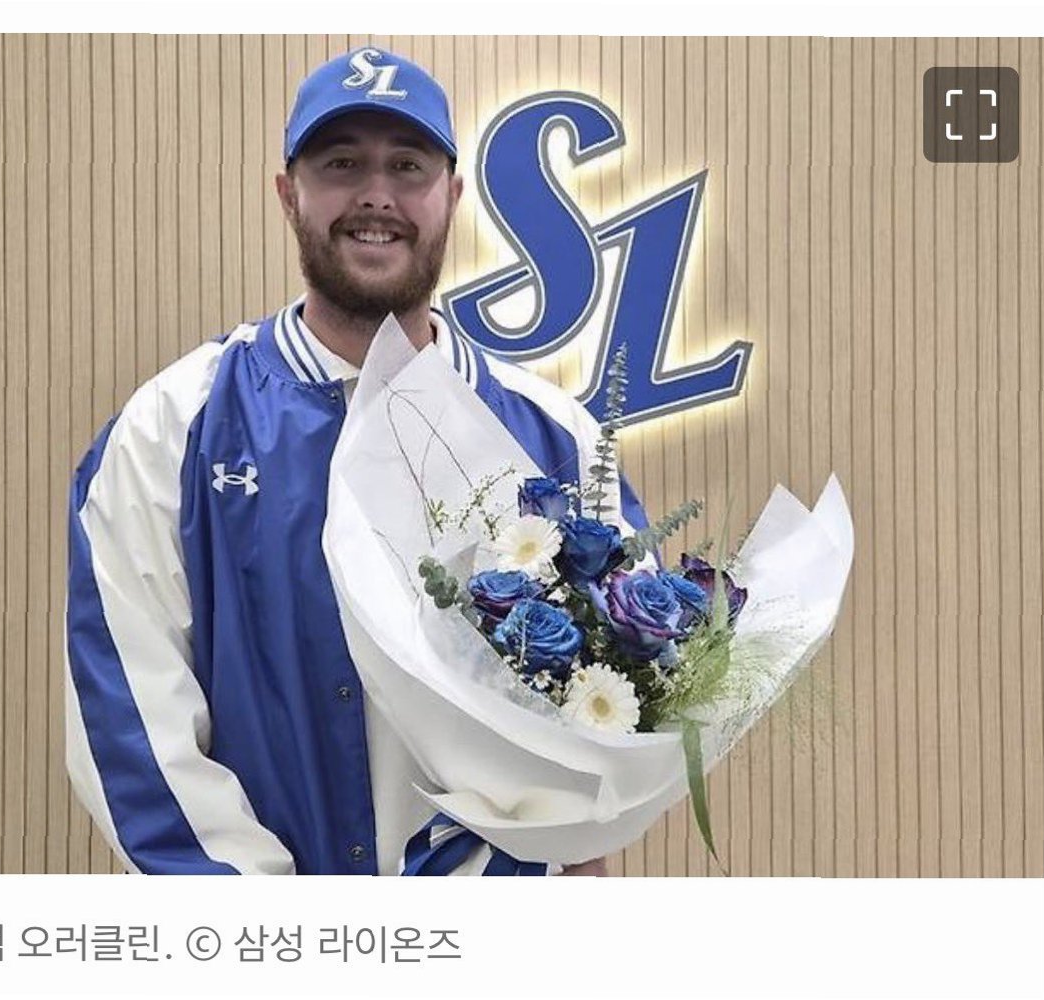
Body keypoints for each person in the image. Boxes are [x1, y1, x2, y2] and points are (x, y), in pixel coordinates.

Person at [65, 47, 648, 876]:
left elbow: (629, 707)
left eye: (406, 166)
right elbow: (131, 716)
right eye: (341, 163)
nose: (377, 195)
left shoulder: (556, 438)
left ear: (451, 196)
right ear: (288, 193)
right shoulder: (174, 426)